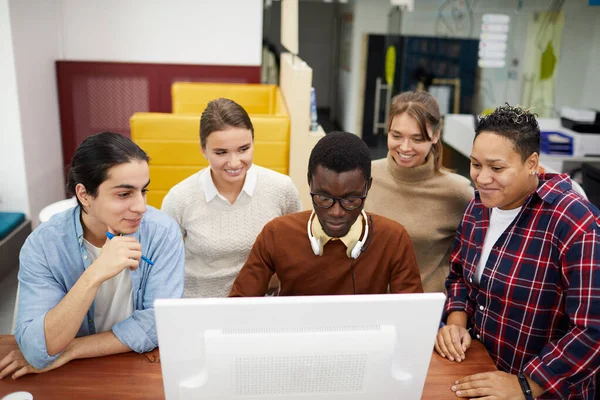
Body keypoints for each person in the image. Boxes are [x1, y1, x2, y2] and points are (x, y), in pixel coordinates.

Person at [435, 105, 600, 399]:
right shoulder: (479, 206)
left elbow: (592, 330)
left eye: (497, 168)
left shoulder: (575, 223)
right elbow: (459, 274)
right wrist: (456, 321)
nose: (482, 178)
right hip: (480, 369)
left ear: (532, 163)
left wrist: (526, 385)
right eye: (475, 164)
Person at [0, 132, 185, 379]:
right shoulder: (44, 244)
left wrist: (73, 349)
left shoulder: (162, 232)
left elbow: (158, 324)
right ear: (84, 194)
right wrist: (95, 274)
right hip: (72, 377)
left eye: (144, 190)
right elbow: (37, 350)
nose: (141, 206)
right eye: (124, 194)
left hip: (135, 367)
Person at [229, 131, 423, 297]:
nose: (336, 212)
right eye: (324, 198)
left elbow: (414, 319)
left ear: (367, 187)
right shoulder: (276, 234)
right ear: (309, 182)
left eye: (350, 200)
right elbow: (238, 307)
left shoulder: (393, 239)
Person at [161, 98, 301, 298]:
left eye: (244, 149)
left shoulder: (281, 188)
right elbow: (162, 264)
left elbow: (297, 247)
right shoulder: (180, 198)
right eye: (221, 152)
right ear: (203, 150)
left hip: (259, 308)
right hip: (199, 308)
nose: (235, 163)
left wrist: (278, 275)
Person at [366, 91, 473, 293]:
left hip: (426, 310)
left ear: (435, 135)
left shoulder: (458, 192)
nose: (405, 147)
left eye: (417, 139)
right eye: (396, 136)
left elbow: (469, 266)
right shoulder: (364, 176)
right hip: (369, 304)